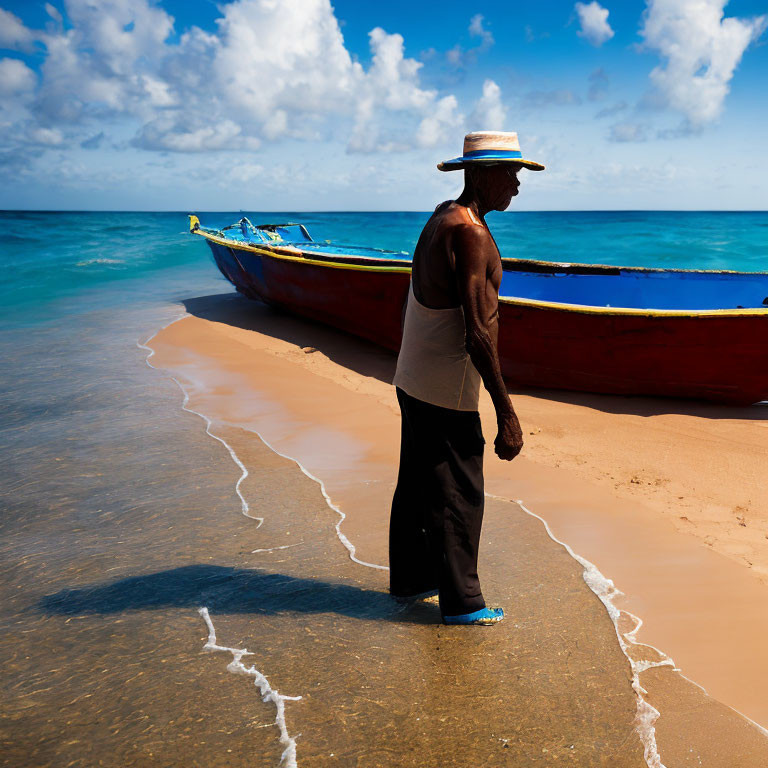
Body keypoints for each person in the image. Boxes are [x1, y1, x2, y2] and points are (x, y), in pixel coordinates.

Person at [389, 131, 545, 626]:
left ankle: (413, 578)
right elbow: (477, 334)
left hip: (412, 374)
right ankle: (462, 603)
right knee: (459, 487)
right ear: (480, 174)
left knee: (417, 480)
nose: (518, 184)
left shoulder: (444, 214)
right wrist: (508, 413)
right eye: (511, 173)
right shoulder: (471, 233)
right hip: (443, 384)